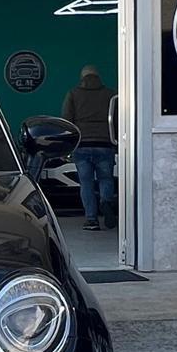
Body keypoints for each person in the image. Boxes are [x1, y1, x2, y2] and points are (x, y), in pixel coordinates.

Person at [61, 65, 116, 232]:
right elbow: (118, 118)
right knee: (106, 178)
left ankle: (91, 220)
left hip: (82, 144)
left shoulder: (73, 94)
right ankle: (106, 201)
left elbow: (66, 120)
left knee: (86, 183)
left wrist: (68, 145)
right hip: (105, 143)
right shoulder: (110, 94)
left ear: (82, 78)